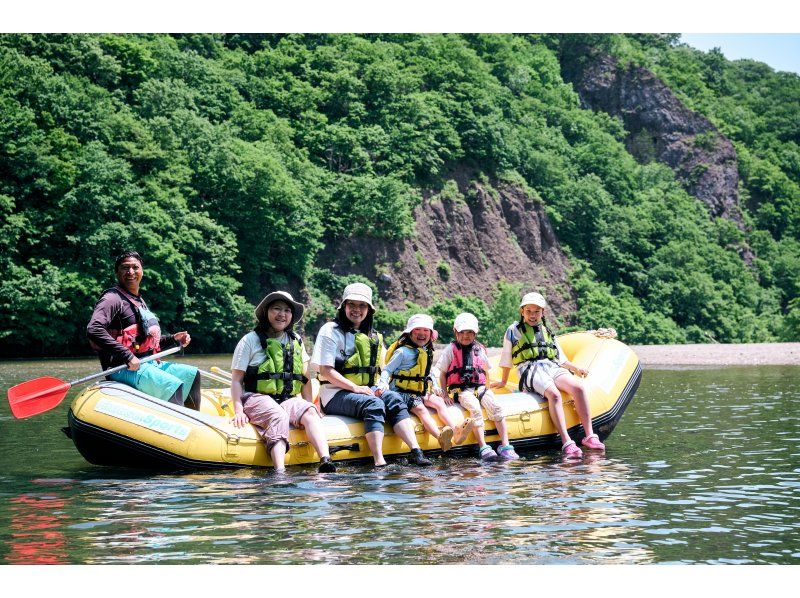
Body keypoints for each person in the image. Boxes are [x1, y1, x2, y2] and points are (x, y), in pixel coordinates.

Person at [310, 283, 432, 467]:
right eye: (352, 305)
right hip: (334, 394)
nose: (357, 310)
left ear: (369, 309)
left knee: (394, 399)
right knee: (373, 403)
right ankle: (379, 461)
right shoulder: (330, 330)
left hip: (366, 389)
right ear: (344, 307)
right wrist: (355, 388)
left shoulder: (372, 336)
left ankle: (416, 451)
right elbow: (326, 370)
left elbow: (385, 369)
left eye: (362, 306)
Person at [229, 291, 336, 473]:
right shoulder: (249, 341)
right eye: (276, 309)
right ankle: (280, 471)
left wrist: (309, 404)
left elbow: (304, 378)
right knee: (279, 415)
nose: (282, 314)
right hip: (256, 398)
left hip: (286, 398)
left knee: (310, 411)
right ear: (266, 312)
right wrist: (239, 410)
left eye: (287, 310)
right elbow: (237, 380)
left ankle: (326, 461)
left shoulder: (296, 340)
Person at [491, 292, 605, 458]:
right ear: (522, 311)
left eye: (536, 311)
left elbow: (560, 358)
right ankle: (567, 442)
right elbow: (506, 358)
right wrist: (503, 382)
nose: (532, 315)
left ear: (542, 313)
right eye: (529, 311)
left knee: (579, 387)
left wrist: (576, 368)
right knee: (554, 394)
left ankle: (590, 436)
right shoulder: (513, 330)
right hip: (528, 369)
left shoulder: (547, 330)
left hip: (551, 366)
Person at [87, 251, 200, 408]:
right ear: (117, 272)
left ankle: (195, 422)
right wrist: (126, 356)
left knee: (192, 374)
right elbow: (94, 329)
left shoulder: (138, 300)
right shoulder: (112, 298)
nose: (131, 272)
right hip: (121, 367)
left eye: (135, 267)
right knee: (171, 384)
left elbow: (143, 342)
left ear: (142, 270)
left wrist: (173, 339)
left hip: (147, 363)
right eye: (125, 268)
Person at [436, 313, 518, 462]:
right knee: (475, 408)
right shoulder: (450, 349)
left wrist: (487, 390)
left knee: (496, 406)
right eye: (462, 332)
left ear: (475, 333)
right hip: (460, 390)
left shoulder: (479, 349)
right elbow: (442, 374)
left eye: (469, 332)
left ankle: (505, 445)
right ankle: (483, 447)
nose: (466, 336)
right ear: (456, 332)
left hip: (479, 387)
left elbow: (486, 372)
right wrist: (445, 395)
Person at [377, 314, 462, 453]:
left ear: (430, 334)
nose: (422, 334)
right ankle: (440, 437)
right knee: (421, 409)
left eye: (426, 331)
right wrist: (382, 384)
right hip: (401, 392)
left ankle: (456, 430)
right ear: (410, 333)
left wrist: (435, 386)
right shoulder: (402, 352)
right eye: (417, 330)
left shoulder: (426, 351)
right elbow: (387, 370)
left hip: (419, 391)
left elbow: (427, 373)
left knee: (439, 402)